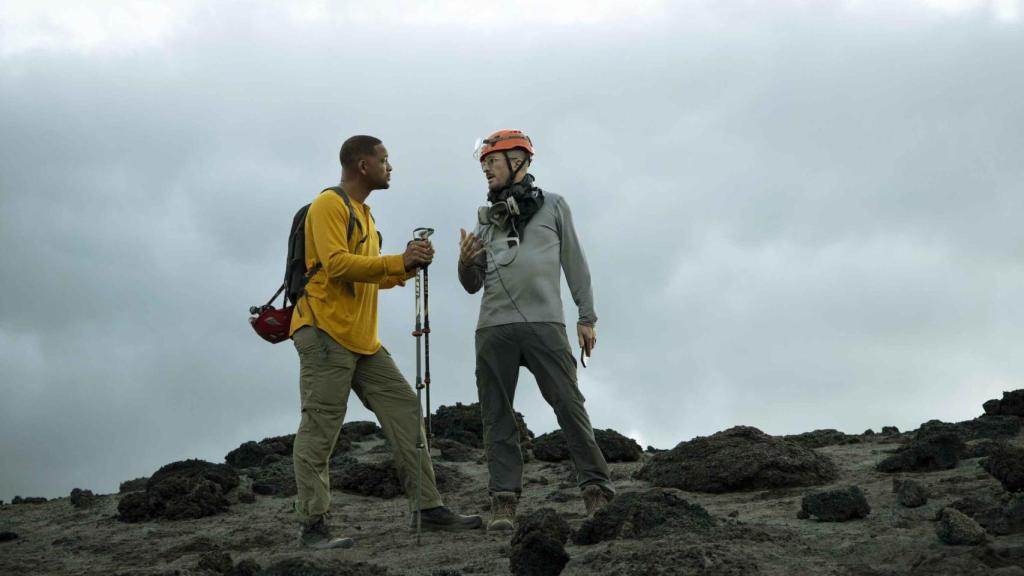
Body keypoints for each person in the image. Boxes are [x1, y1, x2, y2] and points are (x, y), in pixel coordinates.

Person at [290, 135, 481, 549]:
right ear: (363, 166)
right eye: (384, 160)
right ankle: (313, 526)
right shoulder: (329, 205)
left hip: (363, 342)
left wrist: (407, 265)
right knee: (320, 428)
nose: (390, 167)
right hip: (324, 332)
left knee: (406, 410)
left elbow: (372, 275)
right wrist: (399, 261)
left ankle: (427, 508)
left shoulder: (366, 215)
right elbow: (338, 265)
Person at [457, 129, 614, 531]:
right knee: (496, 418)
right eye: (484, 163)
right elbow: (472, 284)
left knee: (569, 406)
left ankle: (597, 492)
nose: (486, 169)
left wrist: (587, 317)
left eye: (492, 161)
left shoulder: (555, 206)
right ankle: (504, 502)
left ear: (518, 161)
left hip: (545, 325)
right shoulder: (484, 218)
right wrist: (464, 263)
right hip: (493, 328)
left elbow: (575, 262)